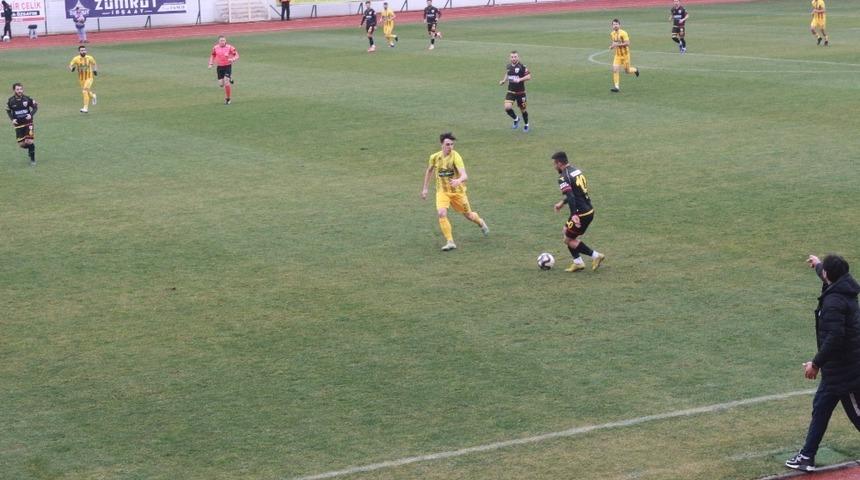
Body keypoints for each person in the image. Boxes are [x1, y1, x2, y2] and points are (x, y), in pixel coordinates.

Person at [786, 254, 860, 472]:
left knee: (857, 415)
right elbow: (831, 274)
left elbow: (835, 338)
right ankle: (807, 455)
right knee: (821, 408)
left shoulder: (833, 302)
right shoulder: (844, 287)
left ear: (829, 275)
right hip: (838, 368)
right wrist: (818, 265)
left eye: (824, 270)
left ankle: (807, 455)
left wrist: (816, 364)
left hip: (846, 370)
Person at [421, 132, 489, 251]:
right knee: (441, 213)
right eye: (447, 144)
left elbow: (465, 175)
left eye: (452, 144)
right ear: (441, 144)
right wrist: (425, 188)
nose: (450, 147)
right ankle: (450, 241)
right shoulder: (434, 157)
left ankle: (480, 222)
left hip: (458, 193)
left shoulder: (456, 156)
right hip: (442, 191)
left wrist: (459, 180)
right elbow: (429, 170)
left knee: (469, 215)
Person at [551, 151, 604, 272]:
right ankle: (578, 262)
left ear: (559, 163)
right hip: (588, 209)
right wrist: (562, 203)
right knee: (566, 231)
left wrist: (574, 214)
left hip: (581, 213)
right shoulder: (576, 171)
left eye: (555, 164)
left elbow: (571, 196)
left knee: (568, 239)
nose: (554, 167)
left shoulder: (563, 177)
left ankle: (596, 256)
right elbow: (577, 192)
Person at [498, 50, 531, 132]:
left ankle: (526, 125)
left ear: (518, 57)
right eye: (512, 57)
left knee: (523, 110)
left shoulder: (522, 66)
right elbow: (507, 73)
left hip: (521, 93)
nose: (513, 58)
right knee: (507, 107)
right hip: (511, 91)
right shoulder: (508, 66)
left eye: (515, 57)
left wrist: (520, 79)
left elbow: (529, 76)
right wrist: (503, 80)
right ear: (510, 58)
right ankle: (516, 119)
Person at [5, 83, 38, 166]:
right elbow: (8, 110)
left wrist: (31, 114)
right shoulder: (11, 101)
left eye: (21, 89)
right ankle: (31, 148)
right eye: (17, 89)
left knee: (29, 141)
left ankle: (33, 160)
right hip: (18, 125)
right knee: (22, 144)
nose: (19, 91)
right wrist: (12, 119)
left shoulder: (27, 99)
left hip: (28, 123)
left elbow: (35, 107)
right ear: (14, 90)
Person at [609, 18, 639, 93]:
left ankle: (635, 70)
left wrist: (618, 44)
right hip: (617, 56)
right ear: (612, 26)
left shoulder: (623, 33)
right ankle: (616, 87)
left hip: (625, 55)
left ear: (619, 25)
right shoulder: (612, 34)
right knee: (615, 69)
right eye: (614, 24)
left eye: (616, 24)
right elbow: (614, 42)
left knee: (627, 71)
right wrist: (612, 46)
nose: (615, 26)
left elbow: (628, 43)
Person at [208, 35, 239, 105]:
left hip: (227, 66)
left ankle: (228, 99)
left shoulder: (230, 47)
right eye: (221, 41)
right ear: (218, 41)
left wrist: (233, 59)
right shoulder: (215, 48)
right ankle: (230, 77)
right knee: (221, 84)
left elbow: (237, 55)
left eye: (223, 40)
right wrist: (210, 63)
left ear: (225, 41)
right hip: (219, 67)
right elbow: (212, 55)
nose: (222, 42)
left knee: (226, 82)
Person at [69, 45, 98, 114]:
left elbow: (94, 64)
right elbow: (70, 65)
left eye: (84, 50)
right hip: (81, 79)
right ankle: (93, 96)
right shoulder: (76, 59)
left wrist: (95, 70)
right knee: (87, 91)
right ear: (79, 51)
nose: (83, 51)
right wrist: (72, 69)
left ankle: (85, 108)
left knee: (84, 91)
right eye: (81, 50)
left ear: (86, 51)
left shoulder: (89, 58)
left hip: (89, 78)